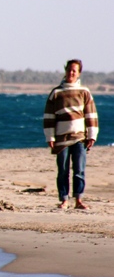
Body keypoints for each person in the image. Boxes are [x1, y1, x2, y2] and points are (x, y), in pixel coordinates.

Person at [43, 59, 98, 209]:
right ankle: (64, 200)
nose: (71, 73)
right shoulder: (56, 93)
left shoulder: (84, 92)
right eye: (69, 70)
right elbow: (49, 117)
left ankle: (79, 200)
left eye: (74, 71)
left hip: (80, 137)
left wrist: (92, 135)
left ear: (78, 73)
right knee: (63, 171)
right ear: (65, 71)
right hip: (61, 139)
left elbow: (91, 115)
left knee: (79, 170)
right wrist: (50, 137)